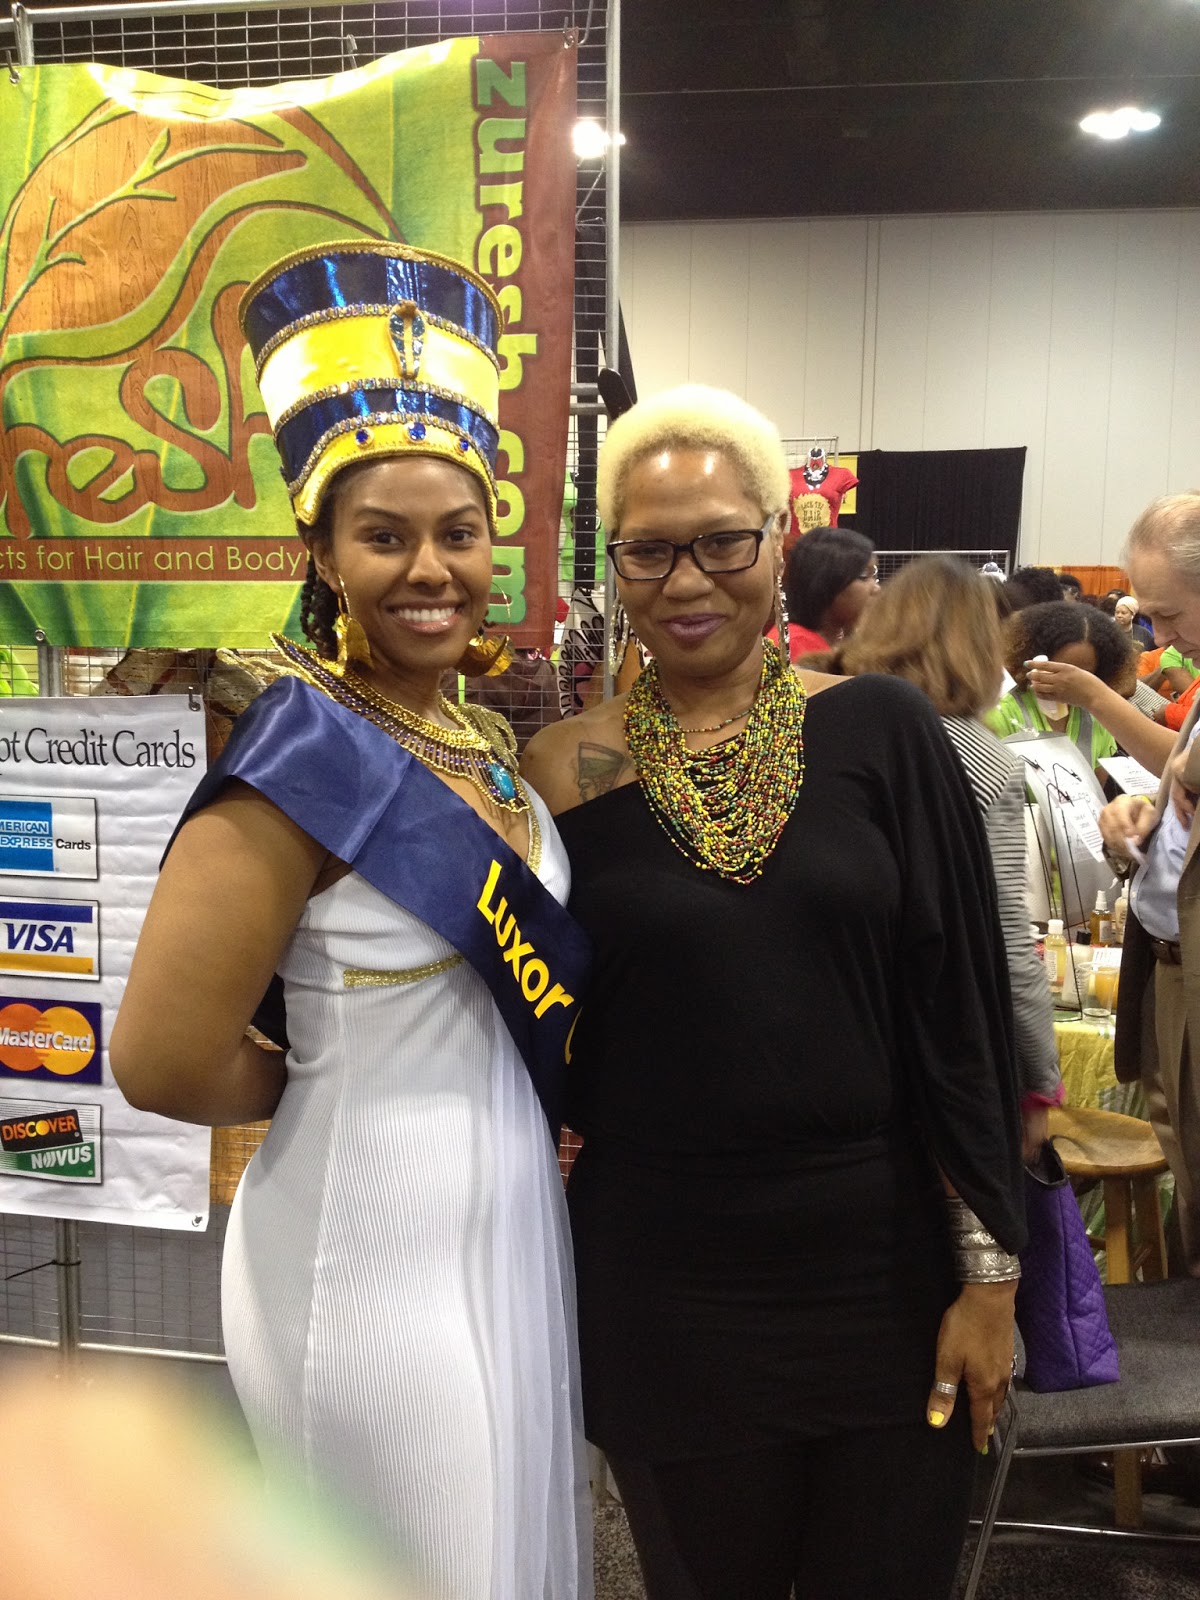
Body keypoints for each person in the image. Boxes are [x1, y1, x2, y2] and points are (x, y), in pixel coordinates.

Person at [110, 241, 592, 1599]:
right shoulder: (297, 757)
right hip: (362, 1246)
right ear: (318, 552)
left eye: (459, 532)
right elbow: (159, 1057)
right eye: (384, 536)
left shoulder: (486, 742)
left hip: (504, 1227)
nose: (429, 567)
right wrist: (319, 1072)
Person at [522, 384, 1025, 1600]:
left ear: (778, 538)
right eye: (649, 550)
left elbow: (961, 1012)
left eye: (721, 543)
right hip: (665, 1277)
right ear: (615, 562)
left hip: (884, 1269)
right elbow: (542, 1021)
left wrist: (992, 1273)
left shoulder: (883, 729)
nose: (687, 581)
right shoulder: (564, 770)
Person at [837, 555, 1063, 1158]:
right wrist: (1038, 1080)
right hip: (931, 1044)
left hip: (828, 1024)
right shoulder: (985, 760)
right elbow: (1005, 937)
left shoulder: (824, 724)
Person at [1098, 492, 1200, 1278]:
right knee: (1188, 1173)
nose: (1159, 637)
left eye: (1168, 614)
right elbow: (1179, 789)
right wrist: (1148, 815)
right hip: (1168, 967)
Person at [985, 599, 1171, 776]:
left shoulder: (1098, 717)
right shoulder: (1002, 714)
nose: (1070, 684)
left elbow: (1096, 786)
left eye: (1084, 675)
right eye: (1059, 670)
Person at [770, 524, 878, 661]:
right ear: (826, 581)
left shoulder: (833, 641)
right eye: (864, 575)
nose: (876, 588)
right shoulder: (795, 646)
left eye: (874, 576)